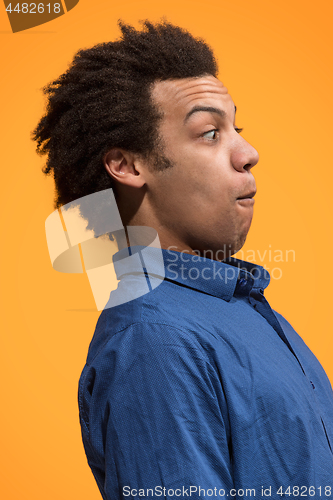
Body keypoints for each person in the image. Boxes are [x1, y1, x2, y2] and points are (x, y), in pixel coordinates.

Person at [33, 20, 333, 500]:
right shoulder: (155, 342)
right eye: (210, 132)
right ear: (129, 166)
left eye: (238, 127)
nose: (248, 152)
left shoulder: (242, 308)